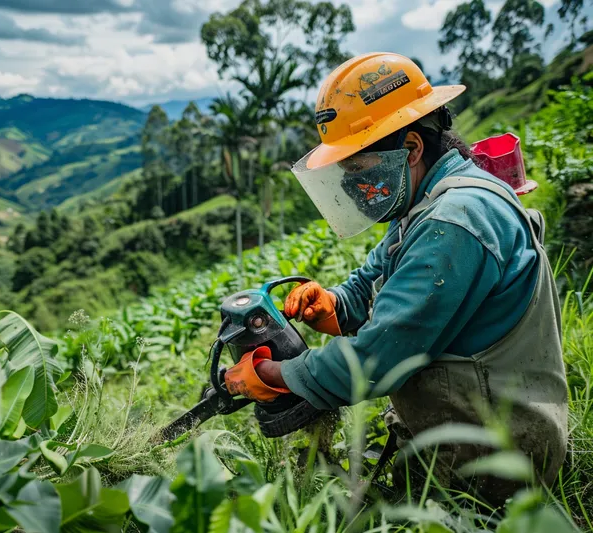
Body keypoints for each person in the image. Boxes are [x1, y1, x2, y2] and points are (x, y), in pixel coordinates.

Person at [223, 52, 568, 506]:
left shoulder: (455, 222)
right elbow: (371, 281)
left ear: (411, 148)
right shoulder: (423, 203)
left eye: (360, 170)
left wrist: (272, 373)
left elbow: (376, 360)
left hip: (498, 458)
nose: (353, 187)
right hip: (463, 428)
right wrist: (333, 305)